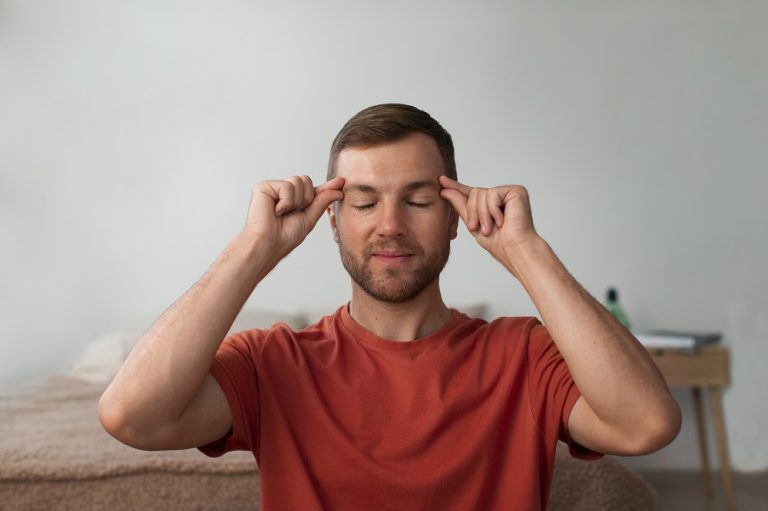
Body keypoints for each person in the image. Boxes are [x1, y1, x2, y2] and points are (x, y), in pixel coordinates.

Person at [99, 103, 681, 510]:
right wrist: (254, 248)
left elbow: (647, 424)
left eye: (420, 199)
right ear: (332, 219)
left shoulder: (522, 356)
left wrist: (526, 251)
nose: (390, 225)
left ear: (454, 217)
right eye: (364, 202)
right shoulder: (274, 362)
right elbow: (132, 416)